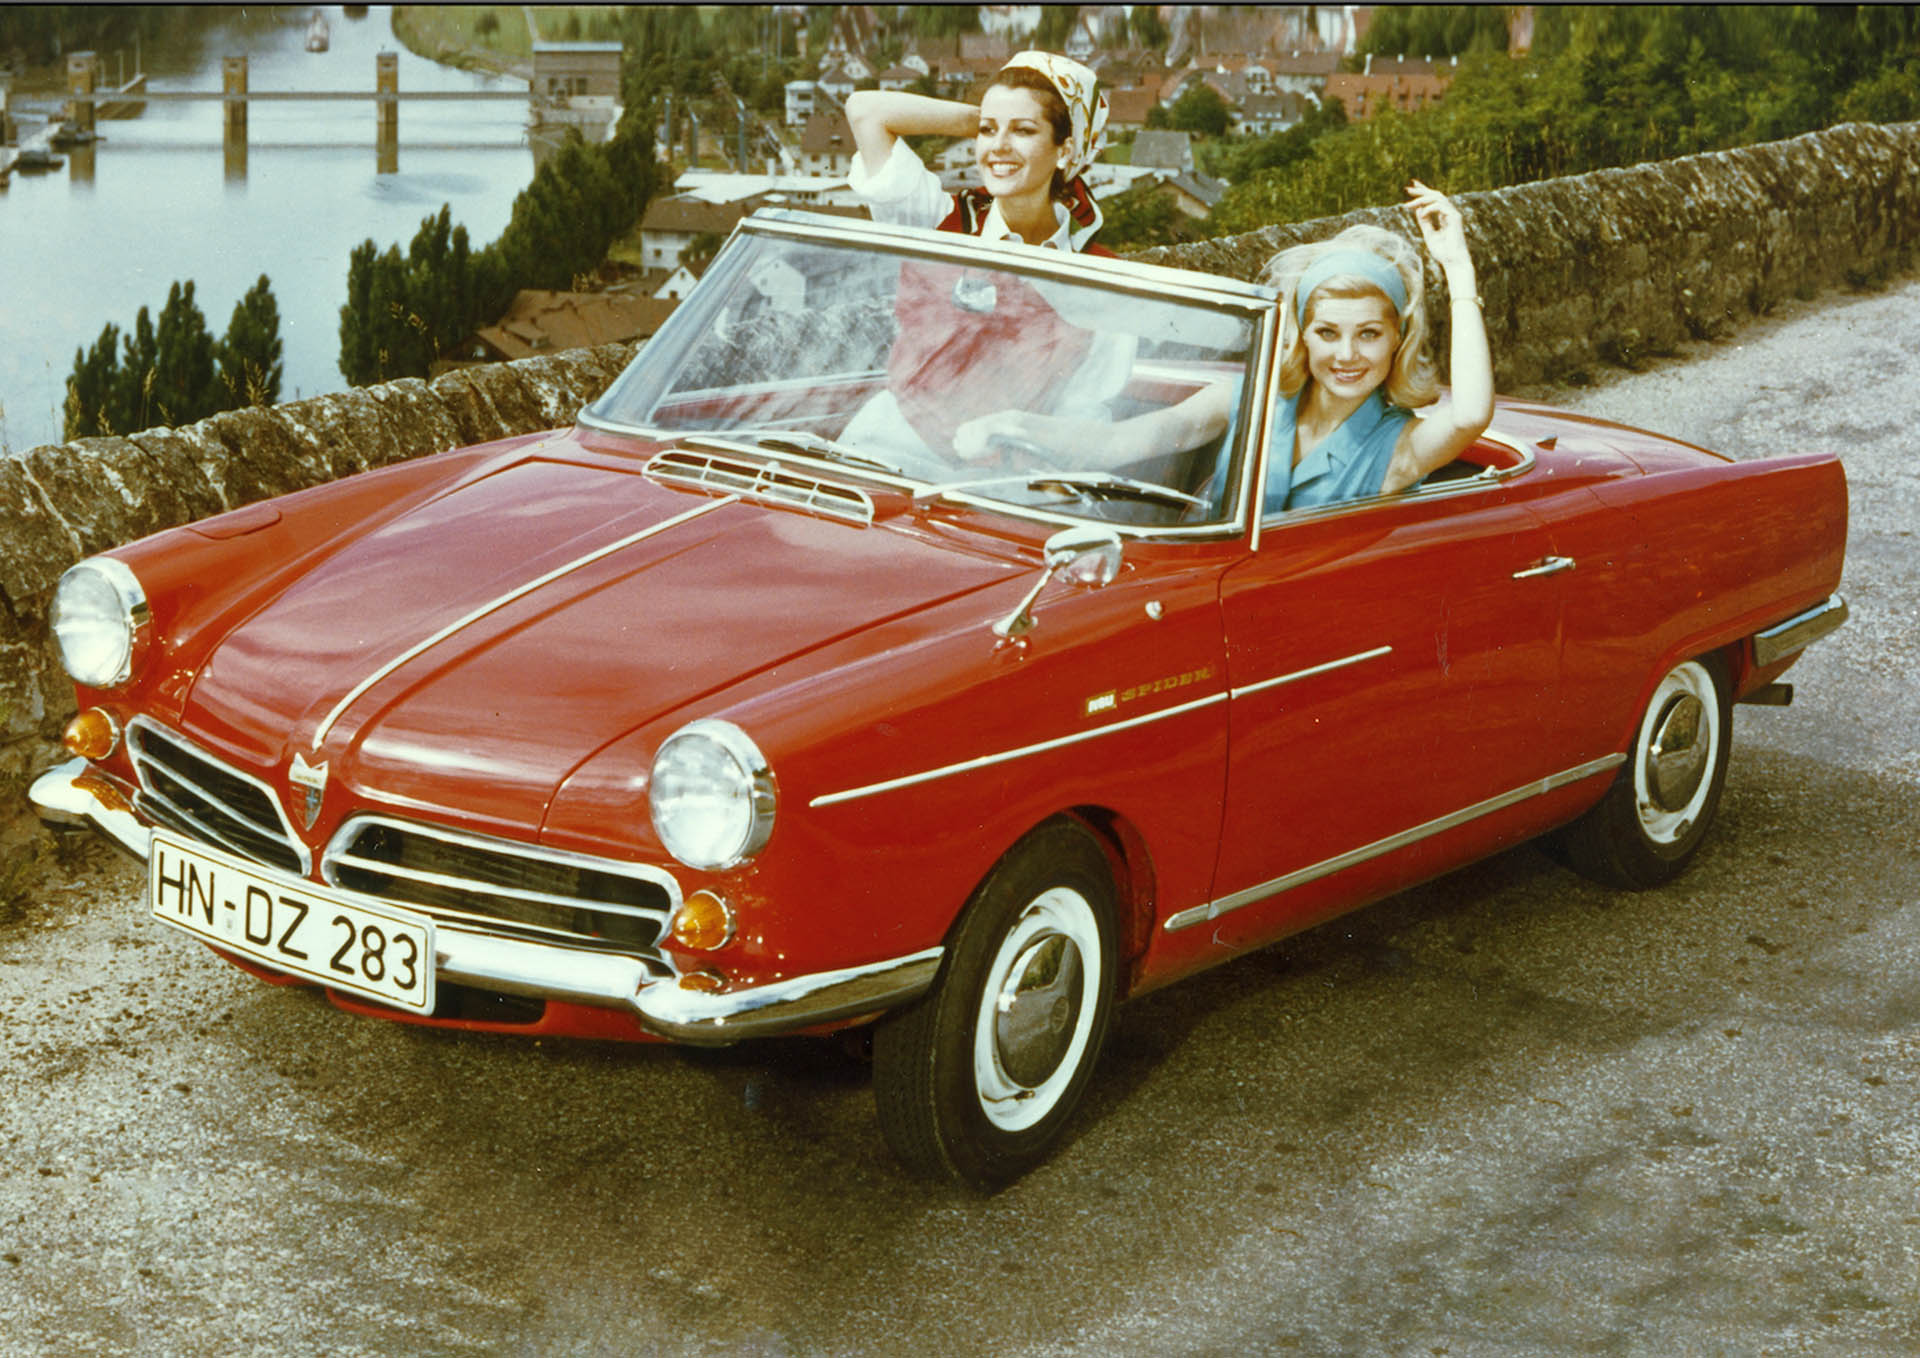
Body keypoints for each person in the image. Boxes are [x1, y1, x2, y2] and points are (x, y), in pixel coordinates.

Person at [1261, 180, 1493, 513]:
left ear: (1397, 339)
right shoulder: (1255, 401)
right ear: (1304, 336)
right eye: (1327, 333)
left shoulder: (1398, 446)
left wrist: (1458, 267)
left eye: (1368, 334)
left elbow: (1470, 416)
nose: (1346, 355)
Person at [845, 52, 1111, 252]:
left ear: (1064, 151)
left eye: (1023, 130)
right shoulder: (938, 218)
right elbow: (865, 111)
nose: (999, 146)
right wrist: (981, 118)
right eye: (987, 131)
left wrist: (996, 121)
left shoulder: (1093, 262)